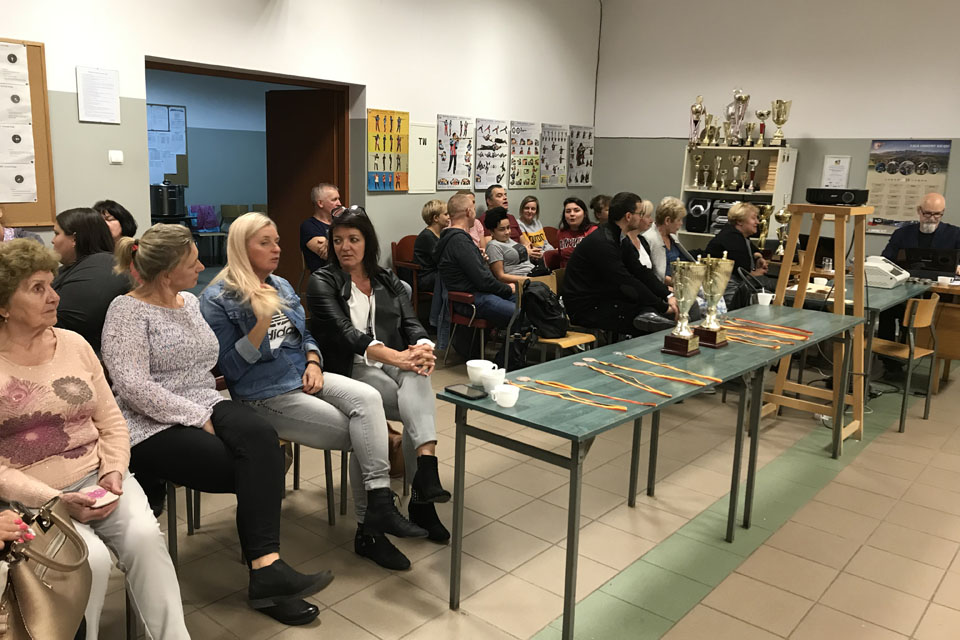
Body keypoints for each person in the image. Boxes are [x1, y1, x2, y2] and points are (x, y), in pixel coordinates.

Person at [102, 224, 333, 626]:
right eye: (193, 262)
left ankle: (266, 569)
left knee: (263, 440)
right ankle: (267, 575)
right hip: (147, 423)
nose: (201, 267)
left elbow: (208, 365)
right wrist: (195, 417)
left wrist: (205, 411)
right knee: (239, 466)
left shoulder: (189, 302)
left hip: (204, 400)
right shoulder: (126, 312)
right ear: (167, 272)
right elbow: (133, 387)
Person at [200, 212, 431, 571]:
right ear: (242, 248)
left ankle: (379, 505)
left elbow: (305, 334)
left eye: (277, 241)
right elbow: (230, 369)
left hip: (305, 376)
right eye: (265, 243)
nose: (277, 249)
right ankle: (371, 528)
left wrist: (312, 361)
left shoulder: (281, 285)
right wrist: (261, 322)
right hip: (265, 394)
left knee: (368, 399)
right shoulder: (217, 298)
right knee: (365, 433)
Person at [0, 239, 189, 639]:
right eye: (37, 288)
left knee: (145, 539)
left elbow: (112, 422)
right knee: (92, 560)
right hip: (31, 497)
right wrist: (54, 499)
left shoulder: (74, 344)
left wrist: (114, 472)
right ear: (3, 306)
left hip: (97, 477)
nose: (54, 296)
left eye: (52, 284)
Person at [305, 209, 451, 544]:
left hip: (387, 360)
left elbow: (411, 322)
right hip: (349, 366)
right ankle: (423, 495)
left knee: (418, 377)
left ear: (367, 241)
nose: (345, 247)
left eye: (353, 239)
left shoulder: (386, 279)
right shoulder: (322, 281)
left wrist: (423, 348)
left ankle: (425, 476)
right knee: (415, 406)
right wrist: (399, 357)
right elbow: (347, 334)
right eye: (337, 240)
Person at [563, 192, 678, 335]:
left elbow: (640, 271)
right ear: (628, 216)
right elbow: (625, 281)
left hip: (604, 298)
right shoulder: (603, 242)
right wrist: (663, 307)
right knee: (648, 320)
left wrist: (667, 296)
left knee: (649, 310)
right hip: (586, 308)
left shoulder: (619, 237)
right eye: (640, 213)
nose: (641, 218)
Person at [50, 208, 131, 355]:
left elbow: (58, 320)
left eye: (56, 233)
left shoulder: (101, 268)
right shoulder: (79, 267)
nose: (52, 240)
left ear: (74, 239)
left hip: (79, 354)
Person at [435, 193, 516, 325]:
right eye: (473, 209)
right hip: (471, 300)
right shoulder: (460, 241)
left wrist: (477, 257)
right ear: (468, 212)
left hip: (474, 295)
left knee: (528, 302)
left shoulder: (450, 238)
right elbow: (483, 281)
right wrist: (507, 288)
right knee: (522, 312)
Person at [881, 193, 959, 269]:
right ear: (919, 210)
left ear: (943, 212)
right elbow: (886, 261)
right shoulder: (901, 234)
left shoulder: (955, 234)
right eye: (927, 213)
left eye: (937, 214)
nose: (932, 218)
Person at [705, 201, 770, 279]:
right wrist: (758, 273)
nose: (758, 222)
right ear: (739, 221)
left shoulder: (740, 236)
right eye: (753, 218)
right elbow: (743, 274)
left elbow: (753, 250)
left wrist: (758, 258)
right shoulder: (732, 239)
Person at [643, 196, 695, 286]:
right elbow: (651, 274)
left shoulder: (673, 237)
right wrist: (681, 284)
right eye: (679, 220)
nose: (681, 223)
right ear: (667, 220)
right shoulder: (648, 239)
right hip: (663, 288)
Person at [484, 206, 536, 284]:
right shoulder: (493, 246)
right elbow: (501, 276)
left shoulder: (508, 240)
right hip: (523, 282)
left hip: (532, 273)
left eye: (508, 227)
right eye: (502, 229)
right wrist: (529, 279)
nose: (507, 232)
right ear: (491, 231)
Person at [300, 183, 342, 273]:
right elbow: (328, 254)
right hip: (324, 276)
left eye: (338, 199)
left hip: (347, 273)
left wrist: (330, 242)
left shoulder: (341, 223)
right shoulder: (309, 226)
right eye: (334, 200)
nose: (339, 204)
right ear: (320, 203)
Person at [413, 199, 450, 294]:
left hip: (438, 273)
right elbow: (443, 258)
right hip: (428, 277)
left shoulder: (442, 234)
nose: (449, 217)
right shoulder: (427, 236)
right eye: (446, 214)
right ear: (436, 218)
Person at [479, 184, 530, 249]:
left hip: (522, 250)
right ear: (489, 201)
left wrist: (527, 249)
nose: (505, 198)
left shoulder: (511, 217)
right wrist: (521, 252)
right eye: (499, 196)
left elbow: (524, 241)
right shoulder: (484, 220)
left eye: (505, 195)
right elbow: (490, 245)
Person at [556, 197, 598, 267]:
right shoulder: (561, 233)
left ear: (584, 214)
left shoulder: (593, 231)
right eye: (568, 211)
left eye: (576, 210)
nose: (572, 214)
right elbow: (561, 258)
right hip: (566, 271)